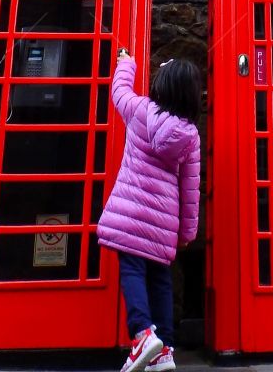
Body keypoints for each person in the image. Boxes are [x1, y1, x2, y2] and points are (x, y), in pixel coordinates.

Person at [97, 49, 201, 372]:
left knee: (132, 272)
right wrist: (186, 233)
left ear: (160, 86)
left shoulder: (140, 110)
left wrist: (126, 63)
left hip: (129, 216)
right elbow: (190, 189)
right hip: (163, 223)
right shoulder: (190, 136)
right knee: (160, 281)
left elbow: (119, 92)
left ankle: (142, 335)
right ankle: (165, 350)